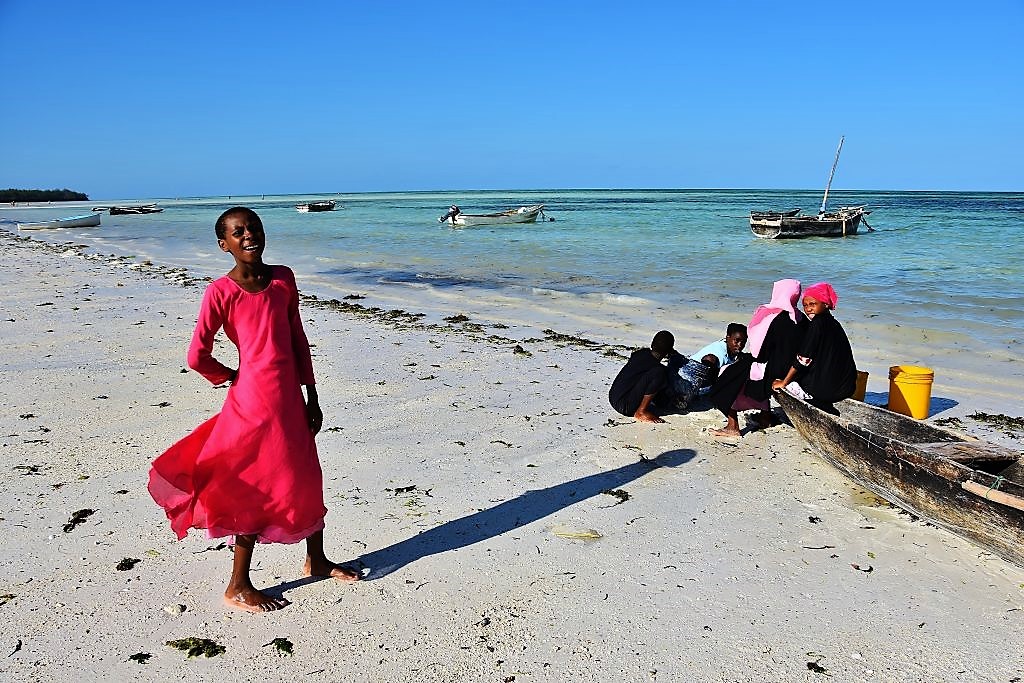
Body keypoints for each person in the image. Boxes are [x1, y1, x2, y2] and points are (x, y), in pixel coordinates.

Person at [148, 207, 358, 614]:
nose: (248, 235)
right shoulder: (220, 292)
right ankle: (238, 585)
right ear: (223, 244)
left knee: (306, 475)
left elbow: (298, 338)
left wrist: (312, 394)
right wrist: (231, 378)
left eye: (254, 228)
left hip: (289, 399)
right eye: (237, 232)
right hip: (252, 404)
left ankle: (316, 558)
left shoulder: (283, 278)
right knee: (256, 485)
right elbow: (197, 355)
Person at [709, 279, 807, 437]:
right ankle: (765, 416)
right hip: (795, 369)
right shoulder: (802, 320)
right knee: (743, 370)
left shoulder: (775, 319)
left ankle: (732, 426)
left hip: (775, 370)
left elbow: (761, 353)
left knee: (727, 377)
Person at [773, 282, 857, 412]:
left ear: (825, 304)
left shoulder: (817, 324)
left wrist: (784, 382)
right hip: (846, 387)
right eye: (805, 305)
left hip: (827, 390)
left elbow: (803, 359)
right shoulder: (834, 324)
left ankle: (813, 399)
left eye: (813, 304)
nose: (808, 309)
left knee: (781, 379)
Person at [609, 330, 677, 423]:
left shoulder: (641, 353)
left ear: (652, 344)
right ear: (669, 352)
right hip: (625, 406)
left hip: (613, 397)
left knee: (657, 374)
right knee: (659, 374)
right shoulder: (658, 369)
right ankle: (641, 412)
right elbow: (658, 373)